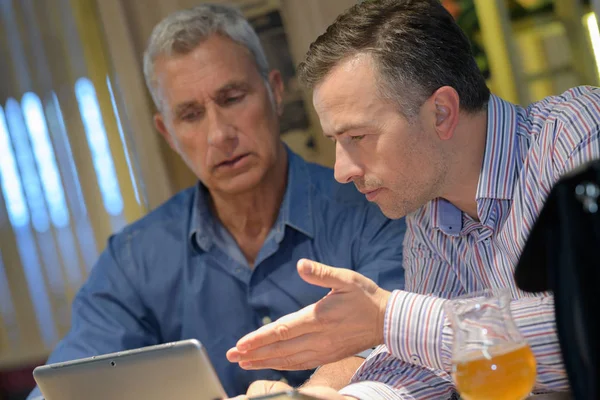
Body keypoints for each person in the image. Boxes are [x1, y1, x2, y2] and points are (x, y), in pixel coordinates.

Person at [26, 4, 407, 399]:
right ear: (168, 133)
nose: (219, 134)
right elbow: (67, 384)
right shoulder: (134, 259)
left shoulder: (374, 206)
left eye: (232, 97)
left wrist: (306, 395)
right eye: (190, 115)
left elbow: (396, 335)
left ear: (275, 92)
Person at [226, 0, 600, 398]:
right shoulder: (428, 209)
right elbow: (431, 360)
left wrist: (386, 318)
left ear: (441, 112)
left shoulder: (579, 135)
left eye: (358, 137)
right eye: (337, 141)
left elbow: (586, 326)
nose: (341, 170)